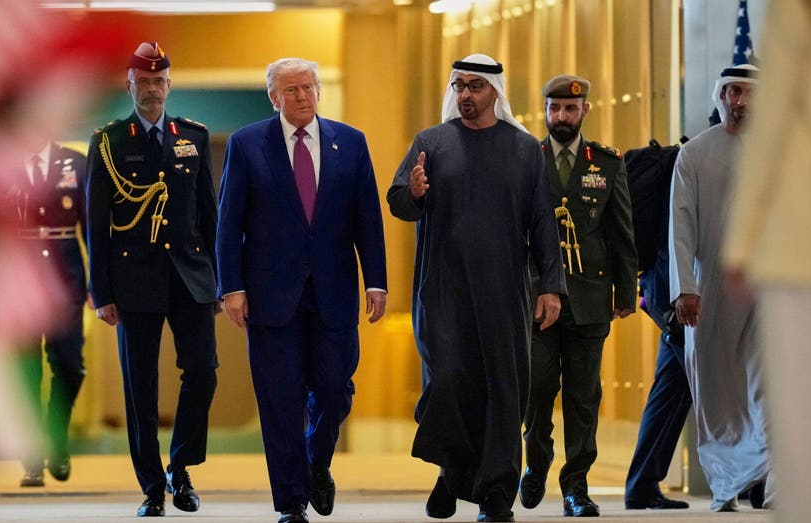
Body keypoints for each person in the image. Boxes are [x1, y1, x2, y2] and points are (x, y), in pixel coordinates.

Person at [388, 54, 564, 523]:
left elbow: (542, 222)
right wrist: (415, 192)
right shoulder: (431, 142)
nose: (466, 94)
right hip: (442, 290)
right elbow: (398, 201)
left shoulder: (525, 149)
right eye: (459, 86)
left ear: (495, 92)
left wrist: (551, 286)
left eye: (475, 86)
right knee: (448, 381)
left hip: (504, 291)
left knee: (503, 388)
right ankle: (451, 472)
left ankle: (496, 494)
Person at [216, 57, 387, 523]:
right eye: (291, 90)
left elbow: (367, 218)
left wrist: (376, 281)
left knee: (334, 387)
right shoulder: (247, 144)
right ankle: (291, 502)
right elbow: (229, 222)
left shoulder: (350, 142)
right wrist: (231, 287)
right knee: (280, 399)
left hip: (334, 290)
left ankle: (316, 460)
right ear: (274, 97)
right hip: (270, 295)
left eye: (309, 87)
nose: (303, 96)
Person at [86, 42, 219, 517]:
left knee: (202, 371)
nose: (152, 90)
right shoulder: (109, 142)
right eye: (143, 82)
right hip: (134, 279)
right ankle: (152, 489)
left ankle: (180, 467)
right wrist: (101, 292)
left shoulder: (193, 137)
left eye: (159, 81)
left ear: (169, 84)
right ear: (130, 85)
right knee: (139, 388)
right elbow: (95, 223)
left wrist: (219, 281)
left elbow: (209, 214)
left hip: (190, 277)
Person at [723, 3, 811, 522]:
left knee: (801, 424)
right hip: (800, 245)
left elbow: (774, 126)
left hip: (800, 241)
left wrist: (742, 244)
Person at [521, 74, 638, 518]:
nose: (561, 116)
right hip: (537, 298)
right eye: (554, 108)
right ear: (545, 110)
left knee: (583, 397)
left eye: (570, 108)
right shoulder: (527, 159)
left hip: (590, 296)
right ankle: (537, 460)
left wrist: (626, 291)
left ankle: (576, 486)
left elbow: (621, 231)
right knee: (537, 387)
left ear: (585, 110)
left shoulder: (605, 163)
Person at [669, 64, 773, 512]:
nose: (740, 101)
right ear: (721, 96)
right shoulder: (694, 154)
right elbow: (681, 227)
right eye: (732, 92)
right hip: (709, 289)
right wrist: (685, 288)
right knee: (716, 393)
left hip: (766, 289)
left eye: (747, 93)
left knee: (768, 386)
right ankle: (726, 485)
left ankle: (770, 482)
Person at [13, 141, 88, 488]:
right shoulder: (4, 162)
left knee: (70, 364)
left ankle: (56, 439)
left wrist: (99, 284)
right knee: (27, 369)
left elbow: (91, 226)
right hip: (20, 280)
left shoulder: (75, 163)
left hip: (65, 278)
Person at [622, 142, 691, 511]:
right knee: (694, 382)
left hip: (661, 286)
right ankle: (751, 479)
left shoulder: (685, 161)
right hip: (673, 291)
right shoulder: (695, 162)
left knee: (674, 383)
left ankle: (642, 482)